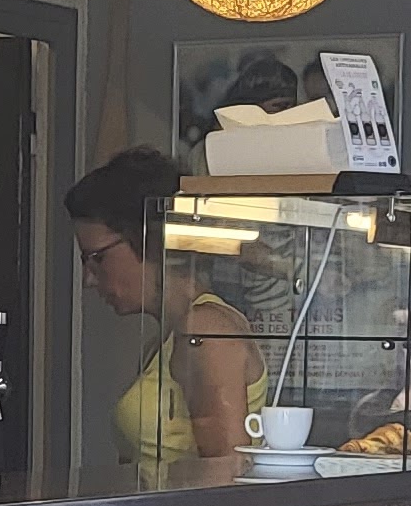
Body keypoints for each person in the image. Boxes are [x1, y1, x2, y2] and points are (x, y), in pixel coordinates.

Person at [67, 146, 264, 470]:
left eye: (97, 258)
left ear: (147, 239)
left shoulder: (205, 331)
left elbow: (226, 473)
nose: (89, 278)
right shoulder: (160, 344)